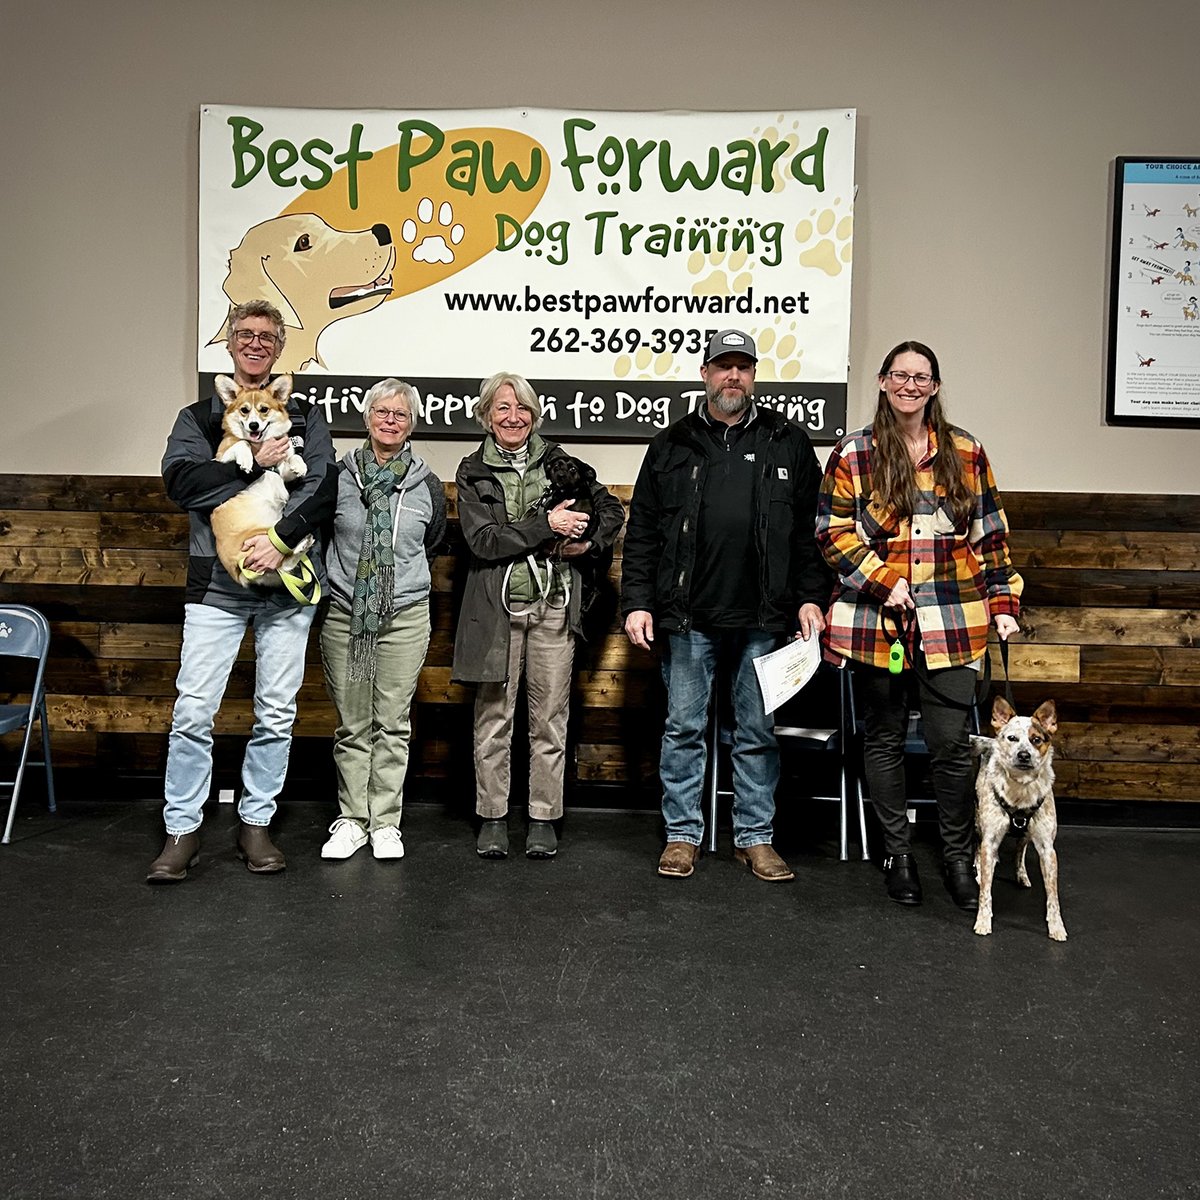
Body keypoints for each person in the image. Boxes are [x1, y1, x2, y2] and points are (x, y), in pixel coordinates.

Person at [815, 340, 1022, 911]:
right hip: (873, 622)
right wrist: (884, 580)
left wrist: (1003, 605)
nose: (910, 384)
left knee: (951, 745)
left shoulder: (966, 450)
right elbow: (831, 533)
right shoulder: (854, 452)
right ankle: (898, 855)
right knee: (881, 739)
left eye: (922, 377)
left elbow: (991, 535)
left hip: (954, 620)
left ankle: (959, 858)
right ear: (883, 382)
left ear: (934, 386)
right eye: (900, 375)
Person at [621, 329, 828, 881]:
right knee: (683, 728)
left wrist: (810, 597)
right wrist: (638, 603)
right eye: (722, 366)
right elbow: (642, 531)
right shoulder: (672, 443)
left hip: (765, 619)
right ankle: (683, 835)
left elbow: (812, 534)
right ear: (705, 374)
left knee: (757, 733)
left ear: (754, 375)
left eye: (742, 367)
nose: (732, 376)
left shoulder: (788, 440)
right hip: (688, 619)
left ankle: (755, 837)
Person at [147, 299, 334, 883]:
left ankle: (256, 824)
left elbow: (321, 489)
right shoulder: (197, 419)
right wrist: (251, 460)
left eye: (267, 337)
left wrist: (280, 540)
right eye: (245, 334)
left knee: (276, 715)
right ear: (229, 342)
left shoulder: (303, 416)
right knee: (193, 711)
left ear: (279, 348)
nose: (255, 343)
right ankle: (183, 829)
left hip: (286, 588)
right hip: (215, 589)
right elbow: (183, 482)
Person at [451, 372, 625, 860]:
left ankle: (544, 816)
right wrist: (545, 525)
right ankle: (493, 816)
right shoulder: (473, 471)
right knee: (493, 718)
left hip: (553, 609)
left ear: (534, 414)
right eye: (502, 408)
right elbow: (484, 540)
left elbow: (611, 510)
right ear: (487, 415)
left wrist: (588, 542)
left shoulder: (562, 463)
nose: (513, 417)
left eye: (522, 408)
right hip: (496, 612)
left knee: (549, 717)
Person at [318, 379, 446, 861]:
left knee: (392, 722)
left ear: (412, 423)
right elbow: (322, 532)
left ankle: (385, 822)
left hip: (405, 616)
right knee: (353, 724)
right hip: (347, 614)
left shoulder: (425, 482)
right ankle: (351, 819)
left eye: (401, 414)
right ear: (367, 417)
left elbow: (430, 541)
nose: (391, 420)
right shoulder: (340, 476)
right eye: (382, 411)